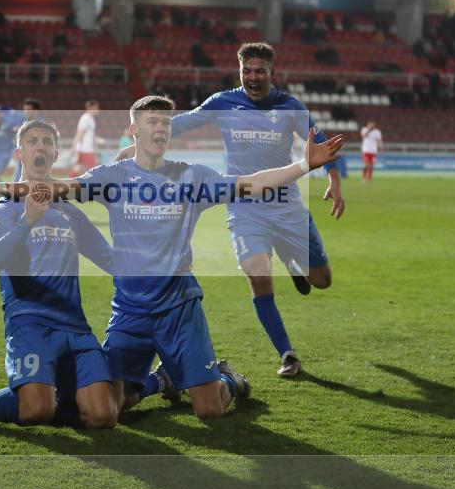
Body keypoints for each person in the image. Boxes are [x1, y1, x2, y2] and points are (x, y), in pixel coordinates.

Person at [0, 95, 344, 420]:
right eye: (152, 122)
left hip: (178, 306)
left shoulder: (193, 177)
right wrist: (2, 187)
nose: (161, 128)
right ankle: (161, 381)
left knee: (209, 410)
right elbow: (58, 187)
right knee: (114, 406)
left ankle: (228, 381)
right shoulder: (112, 177)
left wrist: (302, 165)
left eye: (166, 123)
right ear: (134, 130)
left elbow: (250, 184)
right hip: (129, 311)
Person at [113, 42, 346, 378]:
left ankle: (294, 264)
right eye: (246, 71)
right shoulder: (223, 102)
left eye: (259, 71)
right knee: (257, 273)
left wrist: (334, 182)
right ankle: (287, 354)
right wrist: (134, 148)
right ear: (240, 72)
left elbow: (323, 147)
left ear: (272, 73)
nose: (253, 77)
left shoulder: (290, 107)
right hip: (245, 205)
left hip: (287, 208)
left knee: (322, 280)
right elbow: (177, 125)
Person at [0, 121, 118, 428]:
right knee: (35, 412)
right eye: (33, 141)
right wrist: (28, 220)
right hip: (29, 321)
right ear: (20, 152)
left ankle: (54, 389)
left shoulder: (70, 211)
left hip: (74, 323)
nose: (40, 146)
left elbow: (111, 259)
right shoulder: (5, 208)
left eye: (47, 142)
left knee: (104, 416)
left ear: (56, 154)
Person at [69, 100, 101, 177]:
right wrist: (74, 146)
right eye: (96, 108)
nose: (98, 109)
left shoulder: (89, 118)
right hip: (85, 149)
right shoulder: (86, 119)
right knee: (93, 169)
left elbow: (89, 135)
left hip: (86, 148)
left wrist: (98, 139)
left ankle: (68, 183)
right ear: (91, 108)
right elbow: (80, 133)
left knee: (80, 168)